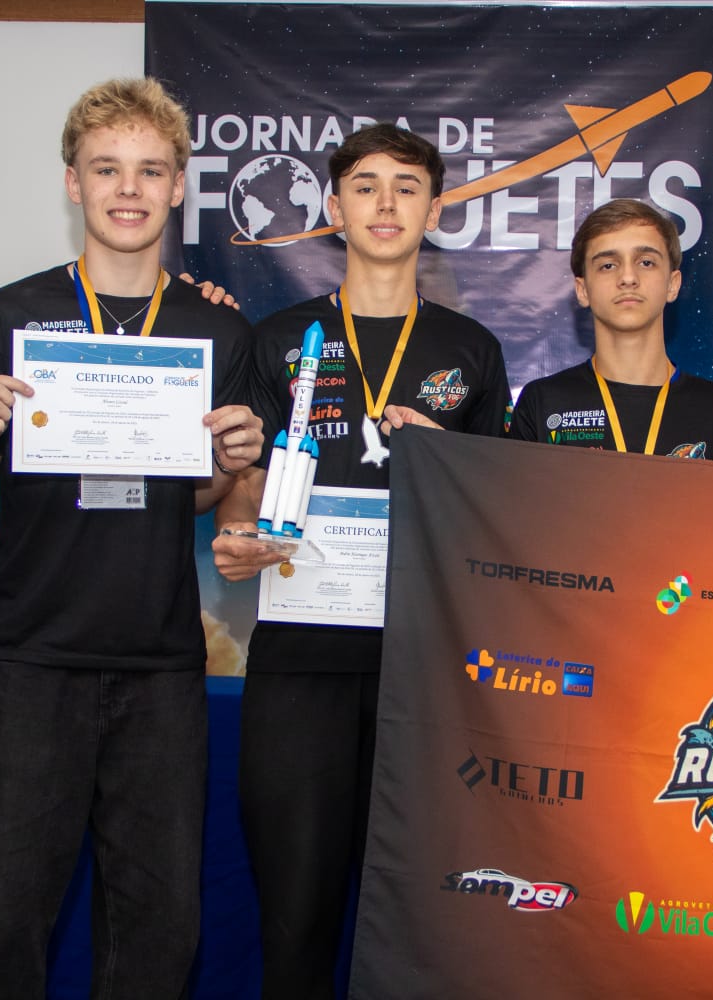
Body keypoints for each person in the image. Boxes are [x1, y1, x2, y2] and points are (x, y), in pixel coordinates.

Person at [0, 77, 262, 997]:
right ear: (73, 182)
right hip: (28, 655)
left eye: (150, 170)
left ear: (177, 187)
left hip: (159, 662)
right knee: (1, 918)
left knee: (159, 926)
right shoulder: (7, 314)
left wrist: (230, 460)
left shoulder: (214, 329)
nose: (129, 188)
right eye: (106, 168)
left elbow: (197, 499)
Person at [213, 122, 510, 999]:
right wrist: (239, 534)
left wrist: (446, 461)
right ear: (335, 209)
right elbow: (245, 479)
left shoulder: (471, 350)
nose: (386, 203)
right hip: (299, 664)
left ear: (436, 209)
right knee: (294, 918)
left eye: (407, 187)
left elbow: (494, 514)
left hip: (426, 675)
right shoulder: (278, 337)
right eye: (366, 186)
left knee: (419, 923)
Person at [509, 198, 713, 462]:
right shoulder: (543, 403)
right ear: (582, 290)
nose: (628, 278)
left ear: (672, 284)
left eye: (646, 262)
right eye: (608, 265)